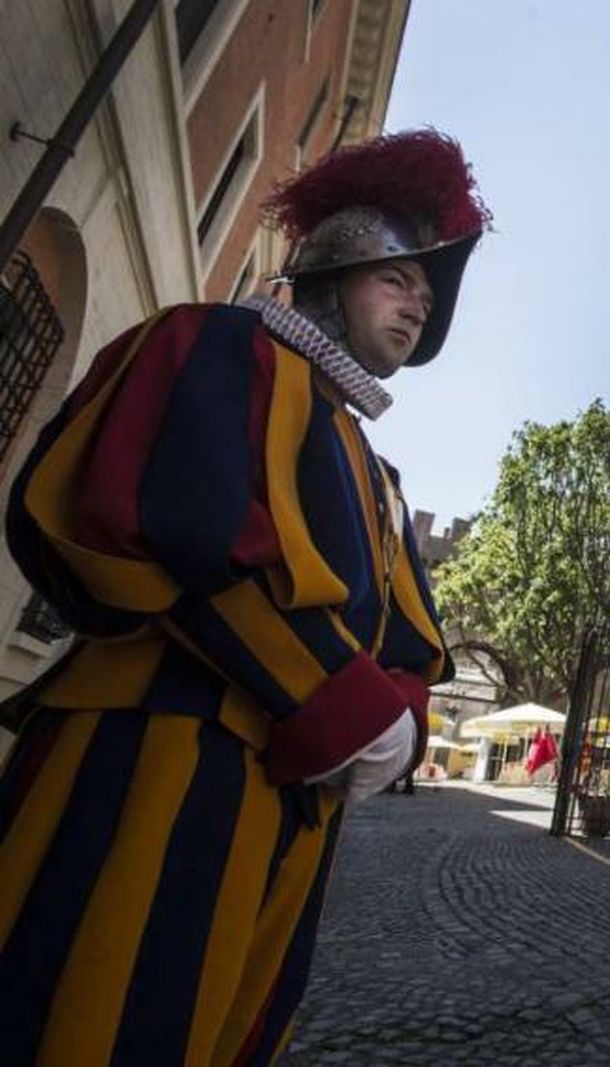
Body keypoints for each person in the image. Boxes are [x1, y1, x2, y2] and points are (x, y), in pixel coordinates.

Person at [0, 129, 489, 1064]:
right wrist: (340, 701)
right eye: (400, 278)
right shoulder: (213, 344)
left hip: (293, 811)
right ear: (330, 269)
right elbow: (163, 524)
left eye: (428, 293)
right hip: (155, 751)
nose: (420, 303)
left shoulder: (375, 468)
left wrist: (403, 719)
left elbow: (411, 642)